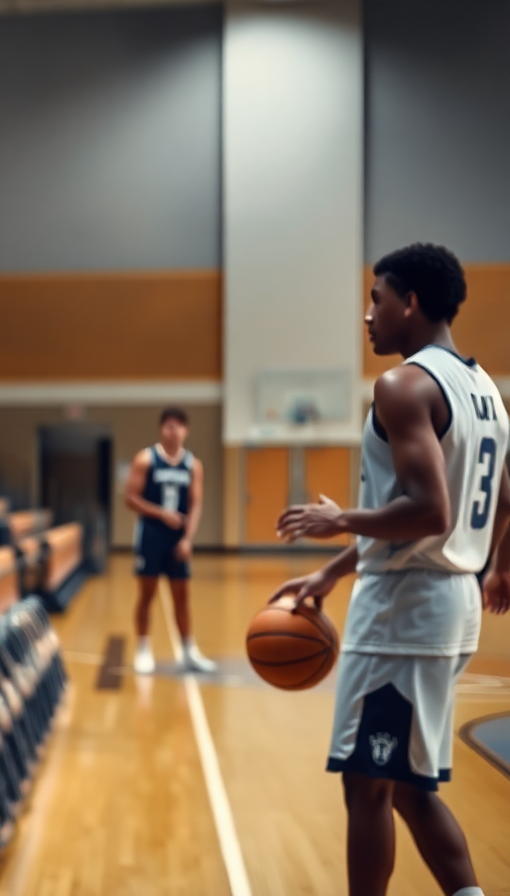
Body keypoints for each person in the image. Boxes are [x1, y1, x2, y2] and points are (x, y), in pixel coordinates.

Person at [272, 243, 510, 896]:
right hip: (447, 602)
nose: (368, 315)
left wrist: (341, 519)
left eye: (376, 299)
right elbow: (501, 499)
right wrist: (335, 571)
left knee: (367, 786)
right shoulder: (483, 387)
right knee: (405, 787)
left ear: (410, 303)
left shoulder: (404, 384)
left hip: (404, 617)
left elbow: (429, 511)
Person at [124, 407, 216, 674]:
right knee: (147, 594)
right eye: (167, 426)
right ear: (160, 430)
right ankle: (143, 648)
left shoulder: (193, 465)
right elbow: (130, 498)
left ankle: (188, 651)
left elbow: (196, 505)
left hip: (178, 538)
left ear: (186, 430)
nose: (172, 431)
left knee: (182, 596)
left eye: (177, 426)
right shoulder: (146, 459)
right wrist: (161, 513)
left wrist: (188, 539)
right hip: (151, 534)